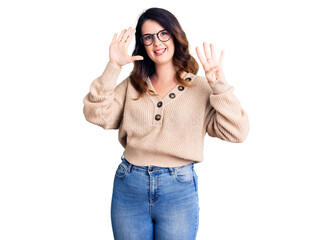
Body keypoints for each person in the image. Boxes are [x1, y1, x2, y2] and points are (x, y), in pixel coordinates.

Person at [83, 7, 249, 240]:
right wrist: (113, 67)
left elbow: (237, 132)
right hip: (129, 185)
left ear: (175, 36)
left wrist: (219, 84)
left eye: (163, 34)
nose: (157, 43)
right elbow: (96, 114)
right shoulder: (133, 84)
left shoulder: (201, 88)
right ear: (142, 45)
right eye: (148, 38)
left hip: (178, 188)